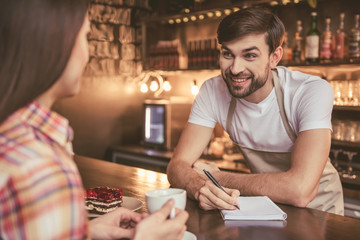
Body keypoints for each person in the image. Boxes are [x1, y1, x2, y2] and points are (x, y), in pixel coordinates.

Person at [0, 0, 188, 239]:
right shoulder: (39, 167)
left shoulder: (12, 135)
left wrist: (86, 231)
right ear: (55, 42)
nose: (88, 55)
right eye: (86, 37)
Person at [167, 6, 344, 215]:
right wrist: (198, 188)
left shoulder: (310, 91)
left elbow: (300, 190)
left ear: (274, 57)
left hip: (321, 214)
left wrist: (215, 177)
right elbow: (177, 166)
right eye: (227, 54)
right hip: (265, 210)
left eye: (249, 55)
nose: (235, 68)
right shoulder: (212, 91)